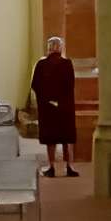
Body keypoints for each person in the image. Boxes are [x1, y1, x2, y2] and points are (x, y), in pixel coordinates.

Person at [30, 35, 79, 178]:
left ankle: (51, 167)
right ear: (61, 48)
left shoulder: (41, 64)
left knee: (50, 139)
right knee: (66, 138)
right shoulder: (67, 63)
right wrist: (62, 100)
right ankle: (69, 166)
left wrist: (47, 99)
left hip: (47, 107)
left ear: (49, 48)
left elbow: (35, 85)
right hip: (65, 107)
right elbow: (71, 85)